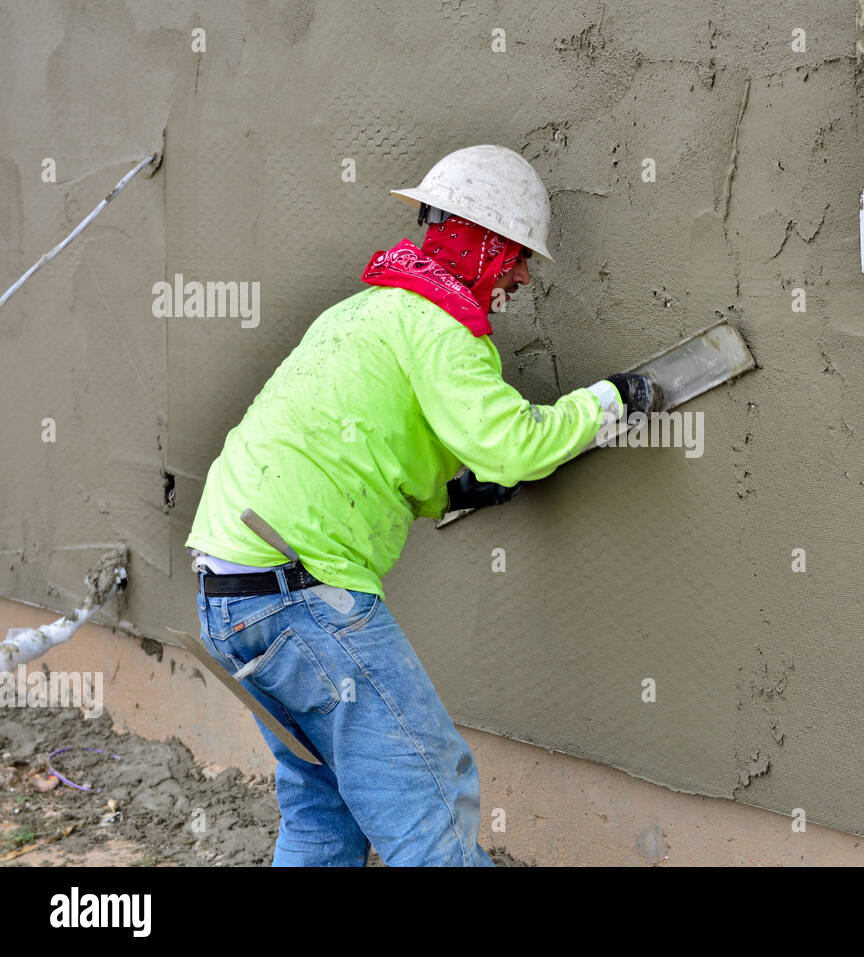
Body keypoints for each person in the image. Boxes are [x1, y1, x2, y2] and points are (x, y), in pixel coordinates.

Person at [184, 144, 661, 866]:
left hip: (230, 595)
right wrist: (608, 402)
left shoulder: (370, 310)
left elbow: (371, 441)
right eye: (519, 256)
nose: (524, 277)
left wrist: (451, 489)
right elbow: (514, 444)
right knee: (431, 794)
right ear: (485, 243)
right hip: (300, 595)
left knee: (324, 809)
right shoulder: (443, 326)